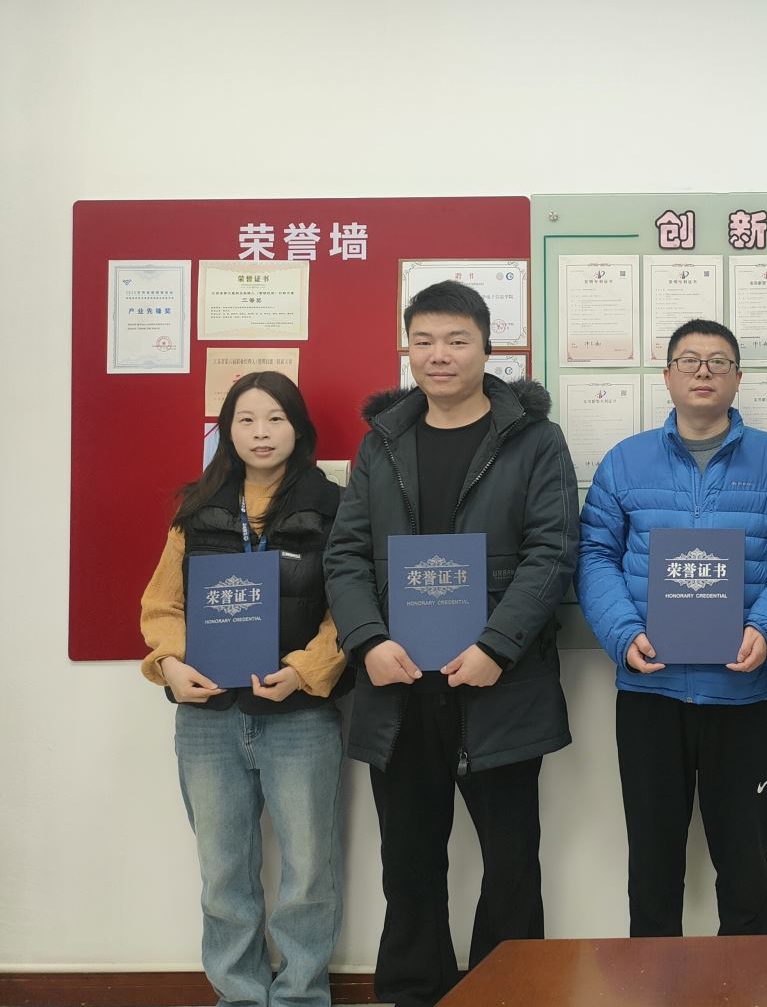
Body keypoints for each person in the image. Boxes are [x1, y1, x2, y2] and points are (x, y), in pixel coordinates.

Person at [324, 280, 579, 1007]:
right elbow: (345, 555)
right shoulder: (382, 443)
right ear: (408, 349)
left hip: (500, 685)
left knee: (510, 864)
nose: (440, 355)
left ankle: (509, 995)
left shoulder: (534, 439)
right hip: (398, 687)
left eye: (457, 340)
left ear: (487, 348)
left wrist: (497, 646)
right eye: (425, 341)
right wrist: (367, 641)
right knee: (407, 865)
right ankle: (414, 992)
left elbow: (553, 550)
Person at [578, 318, 767, 937]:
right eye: (689, 360)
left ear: (738, 379)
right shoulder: (625, 461)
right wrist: (622, 633)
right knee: (652, 864)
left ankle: (746, 981)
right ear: (667, 376)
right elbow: (594, 555)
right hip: (650, 693)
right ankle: (653, 980)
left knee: (744, 865)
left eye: (719, 362)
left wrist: (766, 626)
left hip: (742, 695)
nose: (703, 372)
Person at [140, 370, 346, 1007]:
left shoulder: (335, 507)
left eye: (276, 418)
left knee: (308, 872)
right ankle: (239, 995)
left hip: (299, 717)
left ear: (299, 429)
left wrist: (306, 671)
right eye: (246, 420)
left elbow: (350, 610)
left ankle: (302, 995)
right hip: (208, 720)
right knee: (223, 870)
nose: (261, 433)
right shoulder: (196, 509)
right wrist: (169, 664)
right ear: (227, 432)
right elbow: (162, 605)